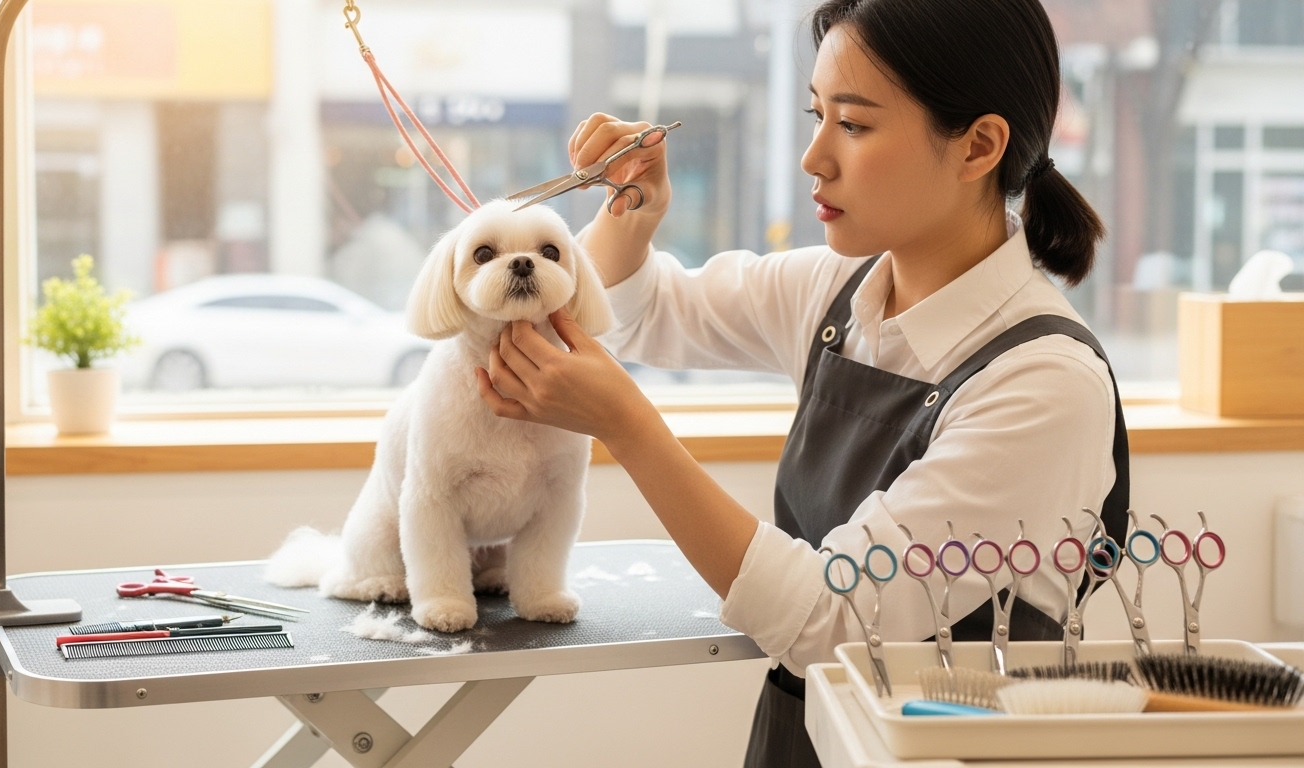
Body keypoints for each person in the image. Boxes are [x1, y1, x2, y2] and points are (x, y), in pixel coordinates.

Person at [475, 0, 1128, 764]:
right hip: (801, 734)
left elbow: (835, 622)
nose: (814, 156)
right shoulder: (839, 291)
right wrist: (632, 209)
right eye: (818, 115)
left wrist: (630, 429)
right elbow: (643, 312)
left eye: (852, 124)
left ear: (979, 145)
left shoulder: (1044, 384)